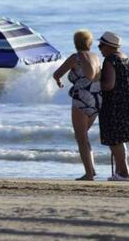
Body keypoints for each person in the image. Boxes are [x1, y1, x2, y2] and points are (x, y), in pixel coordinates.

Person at [53, 30, 102, 181]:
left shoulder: (76, 57)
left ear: (75, 43)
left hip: (81, 98)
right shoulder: (96, 57)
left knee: (81, 138)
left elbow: (57, 73)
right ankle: (91, 170)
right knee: (83, 136)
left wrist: (59, 81)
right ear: (90, 43)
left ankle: (89, 173)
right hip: (97, 98)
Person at [98, 31, 129, 181]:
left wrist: (97, 82)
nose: (99, 48)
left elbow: (109, 85)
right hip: (125, 102)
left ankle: (123, 172)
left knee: (115, 139)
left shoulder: (110, 60)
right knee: (121, 138)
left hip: (114, 104)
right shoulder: (125, 58)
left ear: (109, 47)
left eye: (101, 45)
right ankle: (121, 171)